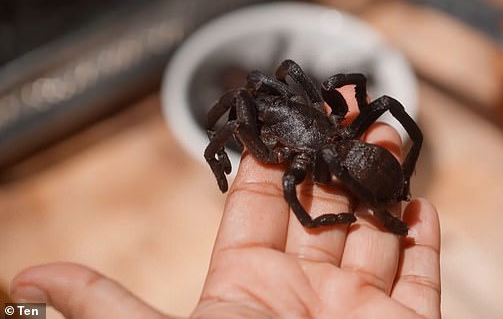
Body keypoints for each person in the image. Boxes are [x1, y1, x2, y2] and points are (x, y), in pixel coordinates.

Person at [10, 90, 441, 318]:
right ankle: (395, 196)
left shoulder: (292, 156)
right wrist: (361, 105)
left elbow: (293, 192)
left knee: (266, 124)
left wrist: (218, 160)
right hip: (347, 149)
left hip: (347, 159)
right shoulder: (320, 118)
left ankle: (387, 212)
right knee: (381, 109)